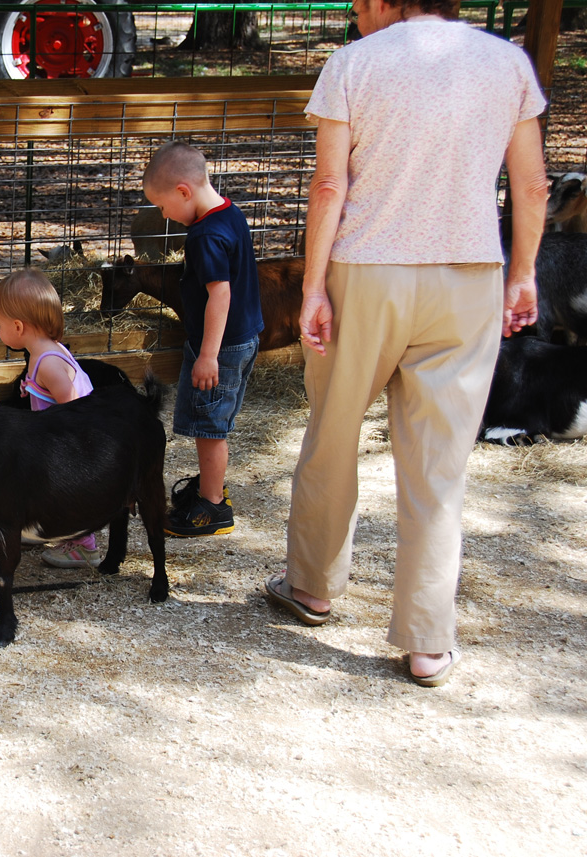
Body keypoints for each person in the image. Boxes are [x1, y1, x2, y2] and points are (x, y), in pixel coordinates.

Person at [264, 0, 547, 687]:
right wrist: (524, 273)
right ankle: (426, 640)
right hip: (469, 274)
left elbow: (330, 185)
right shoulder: (507, 61)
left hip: (367, 271)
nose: (357, 12)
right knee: (439, 464)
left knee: (334, 431)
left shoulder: (354, 64)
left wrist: (313, 289)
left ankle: (313, 585)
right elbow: (532, 185)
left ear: (392, 2)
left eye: (362, 2)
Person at [143, 141, 263, 538]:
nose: (165, 216)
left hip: (222, 347)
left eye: (162, 207)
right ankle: (210, 489)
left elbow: (220, 293)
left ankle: (212, 507)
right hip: (243, 338)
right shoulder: (229, 214)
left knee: (209, 427)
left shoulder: (203, 237)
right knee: (213, 419)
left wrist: (208, 355)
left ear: (183, 191)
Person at [0, 268, 100, 569]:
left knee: (62, 491)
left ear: (18, 326)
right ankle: (35, 527)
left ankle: (84, 545)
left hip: (72, 442)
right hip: (56, 438)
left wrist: (60, 450)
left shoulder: (48, 363)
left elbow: (74, 408)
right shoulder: (45, 352)